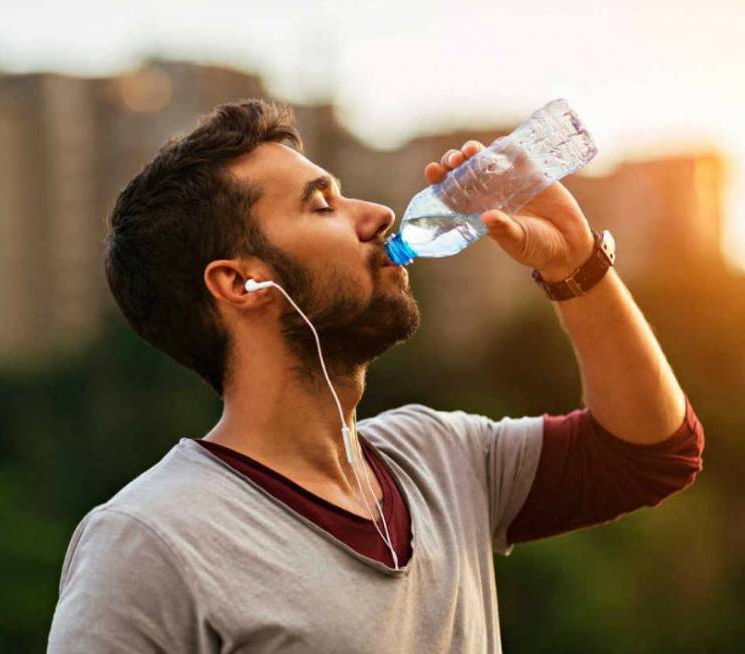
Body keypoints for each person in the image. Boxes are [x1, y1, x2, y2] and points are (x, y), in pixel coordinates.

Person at [46, 99, 704, 653]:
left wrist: (577, 266)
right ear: (242, 282)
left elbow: (650, 452)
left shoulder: (442, 459)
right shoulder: (149, 542)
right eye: (322, 205)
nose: (379, 214)